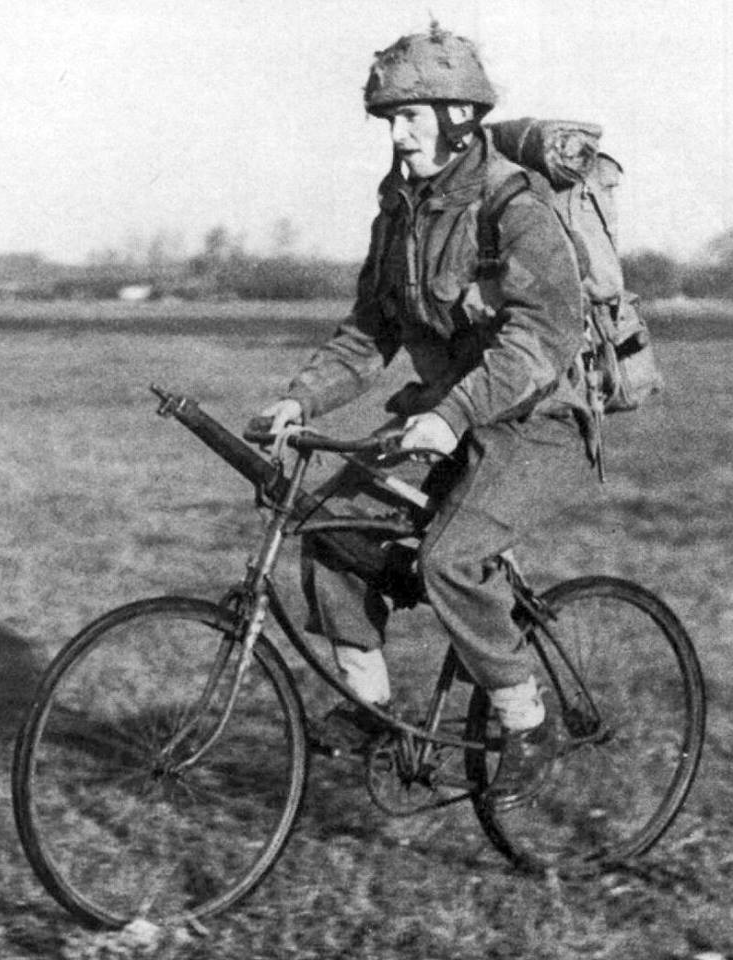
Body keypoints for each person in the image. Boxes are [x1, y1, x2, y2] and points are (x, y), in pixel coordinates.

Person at [255, 23, 594, 808]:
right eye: (388, 118)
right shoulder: (399, 211)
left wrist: (455, 412)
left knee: (449, 560)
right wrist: (300, 397)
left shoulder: (514, 204)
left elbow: (544, 333)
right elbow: (368, 329)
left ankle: (527, 724)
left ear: (458, 116)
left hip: (534, 421)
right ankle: (374, 715)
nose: (395, 131)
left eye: (409, 115)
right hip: (441, 414)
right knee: (332, 526)